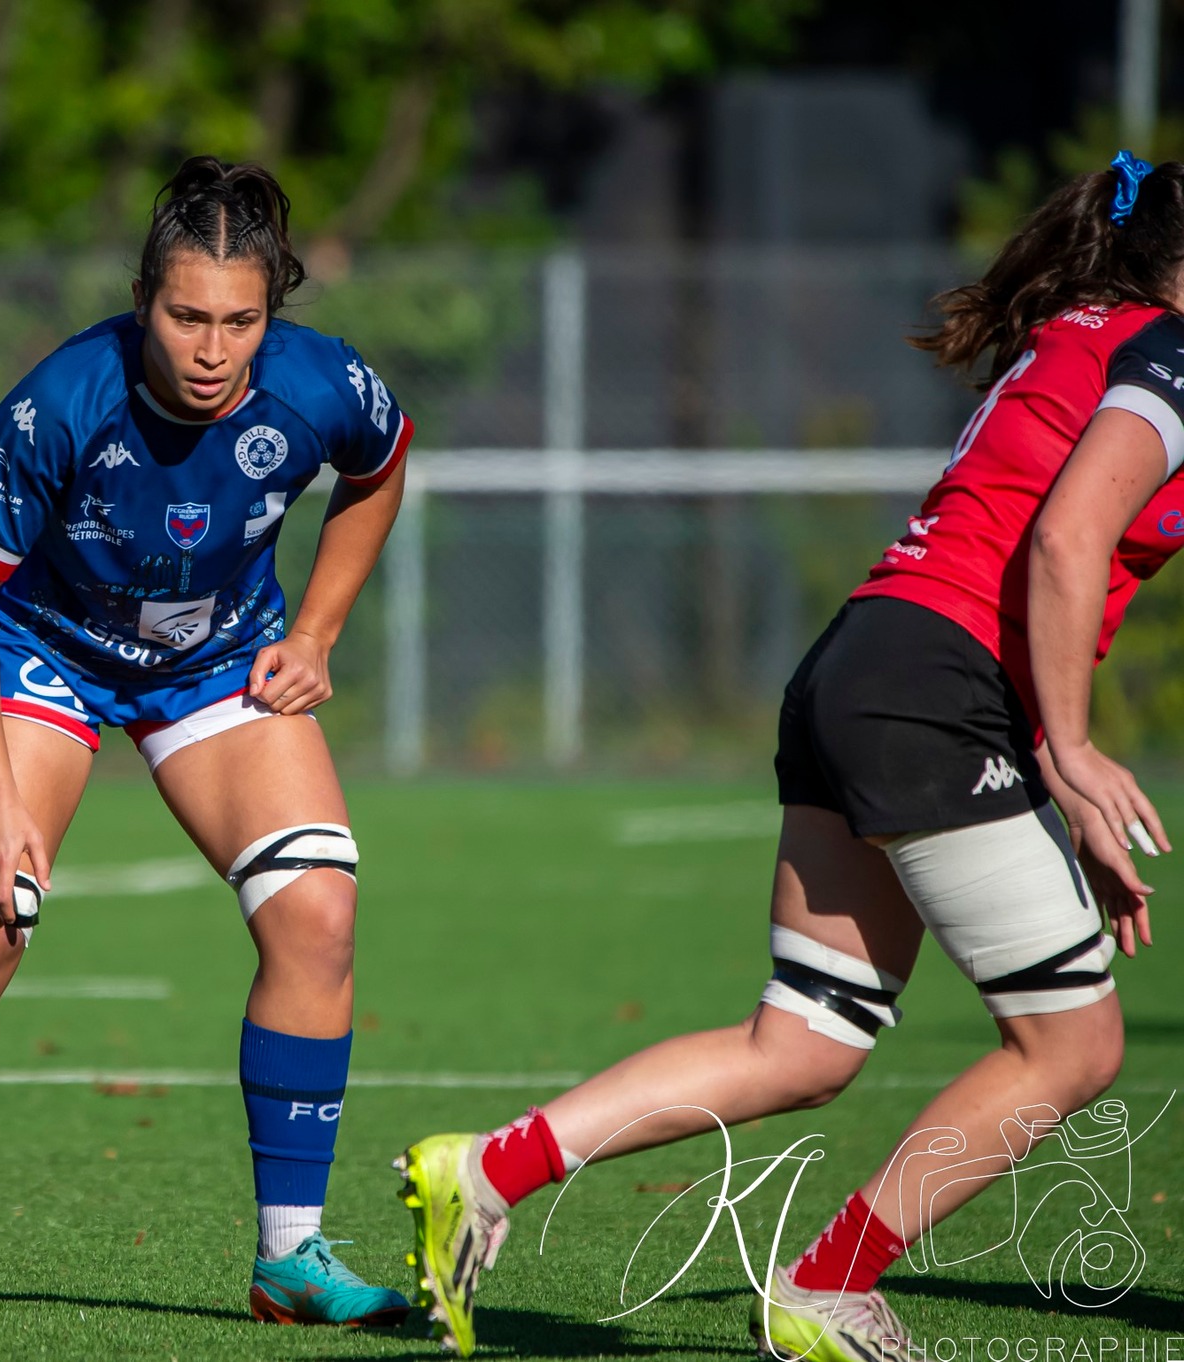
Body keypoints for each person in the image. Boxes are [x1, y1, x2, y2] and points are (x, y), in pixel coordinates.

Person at [396, 151, 1176, 1360]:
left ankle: (487, 1170)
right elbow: (1063, 543)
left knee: (802, 1043)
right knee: (1071, 1048)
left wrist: (1046, 771)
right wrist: (1068, 751)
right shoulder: (1167, 353)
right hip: (927, 688)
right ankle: (828, 1284)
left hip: (868, 663)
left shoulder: (1091, 331)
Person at [0, 157, 416, 1328]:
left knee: (319, 915)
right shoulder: (62, 400)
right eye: (184, 315)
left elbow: (381, 466)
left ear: (272, 311)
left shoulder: (319, 382)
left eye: (238, 321)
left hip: (212, 663)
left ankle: (289, 1261)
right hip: (42, 648)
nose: (209, 348)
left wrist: (317, 628)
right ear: (142, 296)